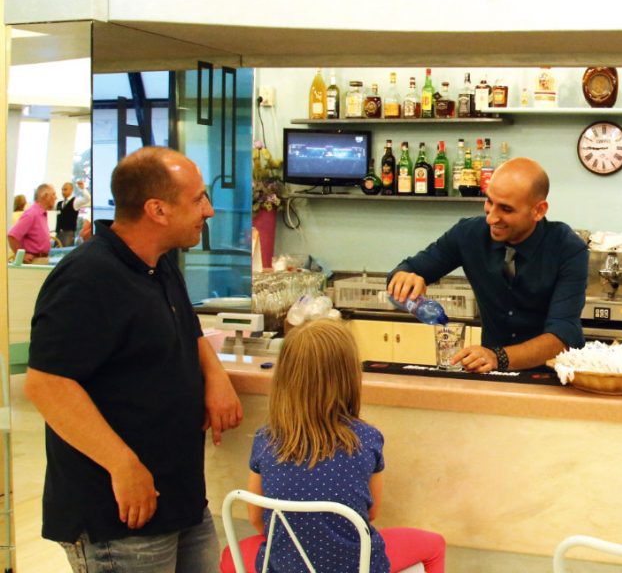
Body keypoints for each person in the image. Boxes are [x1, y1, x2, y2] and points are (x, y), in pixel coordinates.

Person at [24, 146, 243, 571]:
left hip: (181, 499)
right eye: (198, 198)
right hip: (119, 516)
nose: (209, 210)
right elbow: (46, 383)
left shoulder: (159, 264)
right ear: (157, 210)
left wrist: (216, 377)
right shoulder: (87, 277)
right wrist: (122, 464)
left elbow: (188, 329)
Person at [233, 318, 446, 573]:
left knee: (233, 553)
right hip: (356, 567)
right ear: (349, 376)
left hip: (283, 568)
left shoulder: (266, 439)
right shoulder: (367, 439)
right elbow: (371, 513)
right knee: (434, 545)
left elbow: (256, 518)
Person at [387, 157, 587, 373]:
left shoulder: (568, 248)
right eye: (489, 201)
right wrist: (404, 279)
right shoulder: (467, 234)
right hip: (491, 375)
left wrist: (497, 357)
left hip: (553, 377)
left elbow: (563, 336)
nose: (491, 218)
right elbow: (404, 271)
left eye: (506, 209)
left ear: (538, 210)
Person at [7, 183, 57, 263]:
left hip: (41, 259)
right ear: (45, 196)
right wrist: (22, 255)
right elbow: (12, 236)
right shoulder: (32, 213)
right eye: (53, 194)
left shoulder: (41, 214)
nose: (56, 197)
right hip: (34, 260)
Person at [55, 179, 91, 247]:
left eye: (65, 189)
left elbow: (87, 199)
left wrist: (83, 189)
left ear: (71, 190)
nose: (63, 192)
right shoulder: (59, 204)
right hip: (58, 233)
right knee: (56, 251)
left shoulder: (75, 202)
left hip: (68, 234)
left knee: (66, 251)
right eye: (62, 190)